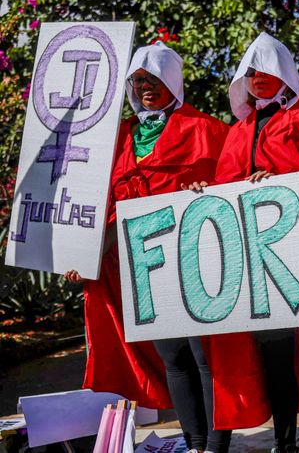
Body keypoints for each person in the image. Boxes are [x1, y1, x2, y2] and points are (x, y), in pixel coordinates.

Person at [64, 42, 231, 453]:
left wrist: (207, 190)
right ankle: (194, 444)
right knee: (173, 357)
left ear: (172, 81)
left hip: (197, 258)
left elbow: (230, 184)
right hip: (144, 265)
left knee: (206, 357)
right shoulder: (121, 138)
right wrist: (83, 252)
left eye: (153, 78)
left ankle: (215, 446)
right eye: (137, 80)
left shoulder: (207, 129)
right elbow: (103, 202)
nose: (145, 87)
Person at [189, 32, 299, 453]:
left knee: (278, 354)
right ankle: (223, 441)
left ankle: (285, 442)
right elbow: (223, 182)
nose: (257, 77)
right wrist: (205, 189)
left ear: (283, 74)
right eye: (250, 71)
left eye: (265, 69)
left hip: (284, 254)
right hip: (243, 257)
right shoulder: (239, 129)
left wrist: (279, 181)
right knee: (239, 355)